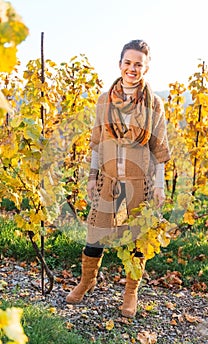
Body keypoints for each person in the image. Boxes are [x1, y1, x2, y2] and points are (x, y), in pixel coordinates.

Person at [66, 39, 171, 318]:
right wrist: (91, 175)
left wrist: (159, 185)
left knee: (138, 237)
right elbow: (98, 141)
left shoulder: (154, 104)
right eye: (128, 62)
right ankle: (87, 281)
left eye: (138, 64)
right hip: (109, 178)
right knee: (95, 232)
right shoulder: (105, 100)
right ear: (120, 64)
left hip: (140, 180)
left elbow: (159, 147)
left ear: (146, 68)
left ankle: (130, 292)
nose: (132, 68)